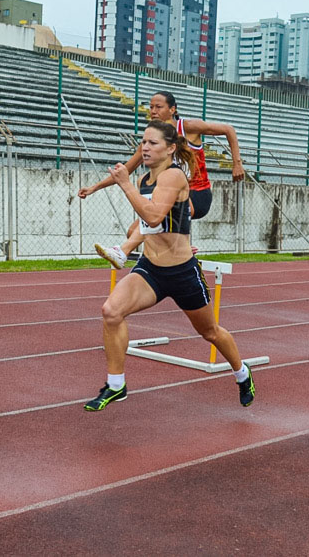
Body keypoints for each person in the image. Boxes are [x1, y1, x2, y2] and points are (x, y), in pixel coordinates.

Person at [82, 120, 255, 411]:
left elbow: (152, 216)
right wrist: (129, 241)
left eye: (152, 143)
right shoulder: (143, 181)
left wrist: (124, 184)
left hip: (182, 272)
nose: (145, 148)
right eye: (143, 142)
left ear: (170, 148)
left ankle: (241, 372)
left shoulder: (174, 176)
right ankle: (116, 385)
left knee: (210, 332)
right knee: (111, 311)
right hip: (152, 270)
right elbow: (148, 223)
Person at [78, 91, 245, 268]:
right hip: (170, 197)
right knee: (133, 231)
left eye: (159, 107)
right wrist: (94, 187)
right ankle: (180, 248)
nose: (153, 111)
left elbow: (229, 129)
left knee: (155, 217)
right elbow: (126, 169)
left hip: (197, 195)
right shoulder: (153, 142)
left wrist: (237, 164)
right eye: (151, 107)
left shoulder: (187, 127)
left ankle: (123, 251)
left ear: (172, 109)